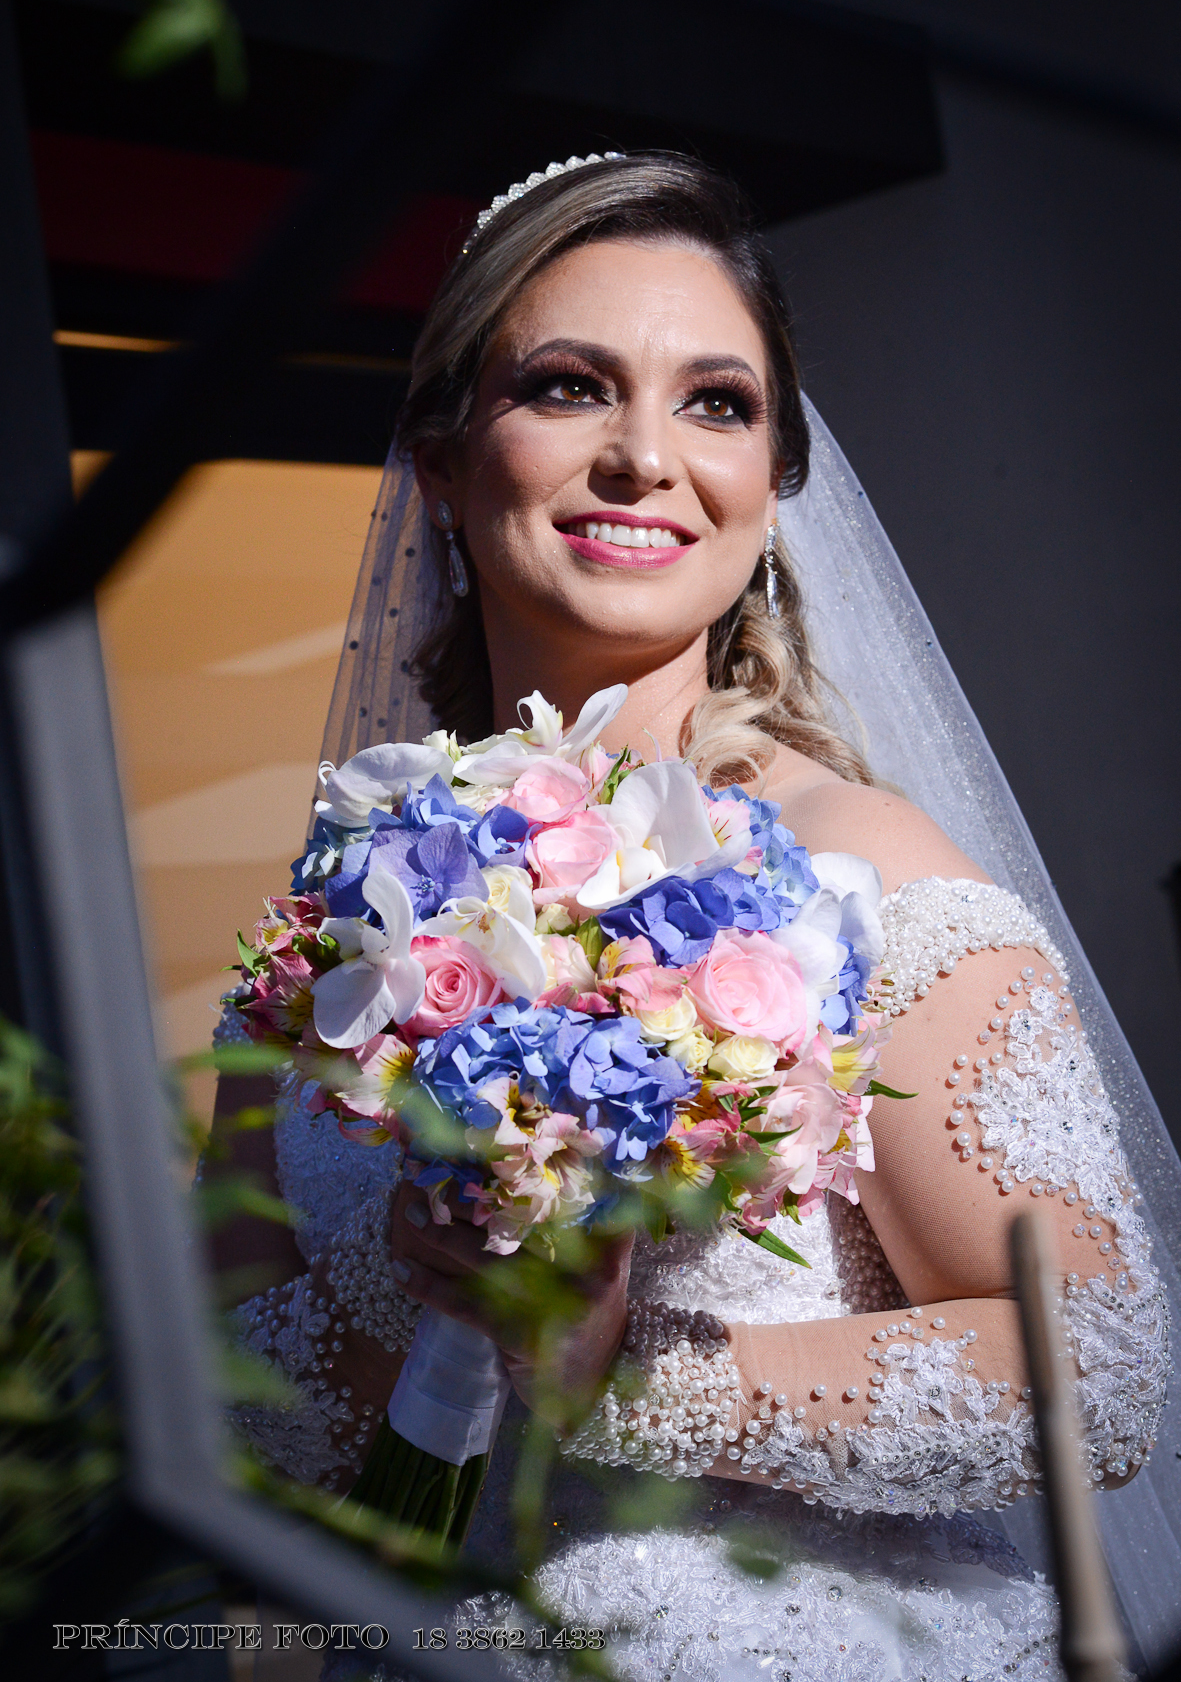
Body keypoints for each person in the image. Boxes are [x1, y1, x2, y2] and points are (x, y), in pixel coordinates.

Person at [212, 154, 1170, 1680]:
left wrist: (623, 1380)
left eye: (714, 402)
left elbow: (1098, 1375)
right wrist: (429, 1303)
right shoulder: (342, 928)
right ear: (443, 456)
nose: (642, 455)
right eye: (568, 386)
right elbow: (246, 1423)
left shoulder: (868, 877)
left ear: (773, 482)